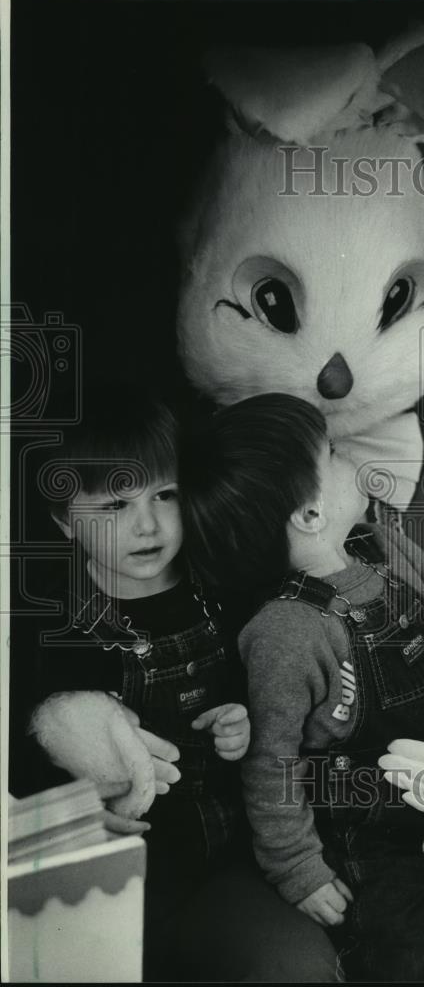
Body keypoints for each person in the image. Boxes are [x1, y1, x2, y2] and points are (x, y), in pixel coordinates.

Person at [180, 391, 424, 983]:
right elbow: (269, 761)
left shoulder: (377, 543)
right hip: (373, 841)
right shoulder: (287, 631)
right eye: (332, 453)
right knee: (399, 951)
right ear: (309, 515)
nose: (348, 454)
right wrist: (296, 867)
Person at [11, 389, 340, 982]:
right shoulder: (49, 627)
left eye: (164, 495)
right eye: (114, 506)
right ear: (64, 520)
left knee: (298, 968)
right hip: (105, 875)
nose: (147, 524)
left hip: (226, 864)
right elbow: (26, 757)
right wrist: (76, 806)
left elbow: (273, 691)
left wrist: (242, 716)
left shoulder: (221, 589)